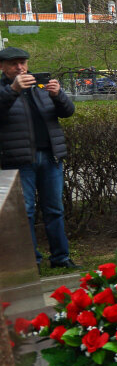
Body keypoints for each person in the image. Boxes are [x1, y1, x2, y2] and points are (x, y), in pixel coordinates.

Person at [0, 47, 78, 269]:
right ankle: (30, 261)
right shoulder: (3, 89)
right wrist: (13, 91)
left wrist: (58, 94)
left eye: (22, 62)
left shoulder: (40, 87)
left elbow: (67, 111)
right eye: (14, 63)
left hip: (50, 157)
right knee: (25, 213)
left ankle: (61, 258)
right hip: (18, 160)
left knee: (55, 209)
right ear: (2, 67)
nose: (20, 67)